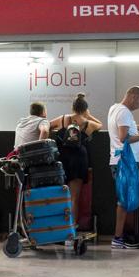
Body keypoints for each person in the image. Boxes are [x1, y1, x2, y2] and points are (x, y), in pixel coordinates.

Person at [108, 86, 139, 249]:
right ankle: (118, 237)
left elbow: (126, 127)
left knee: (125, 199)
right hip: (125, 162)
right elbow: (123, 137)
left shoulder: (116, 108)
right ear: (133, 96)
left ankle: (121, 236)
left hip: (121, 161)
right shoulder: (124, 112)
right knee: (125, 200)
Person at [49, 94, 101, 232]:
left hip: (62, 159)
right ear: (86, 109)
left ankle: (57, 227)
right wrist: (88, 116)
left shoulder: (62, 119)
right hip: (79, 161)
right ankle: (70, 230)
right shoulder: (88, 124)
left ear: (72, 107)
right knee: (74, 198)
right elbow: (100, 124)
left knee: (59, 195)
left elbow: (47, 125)